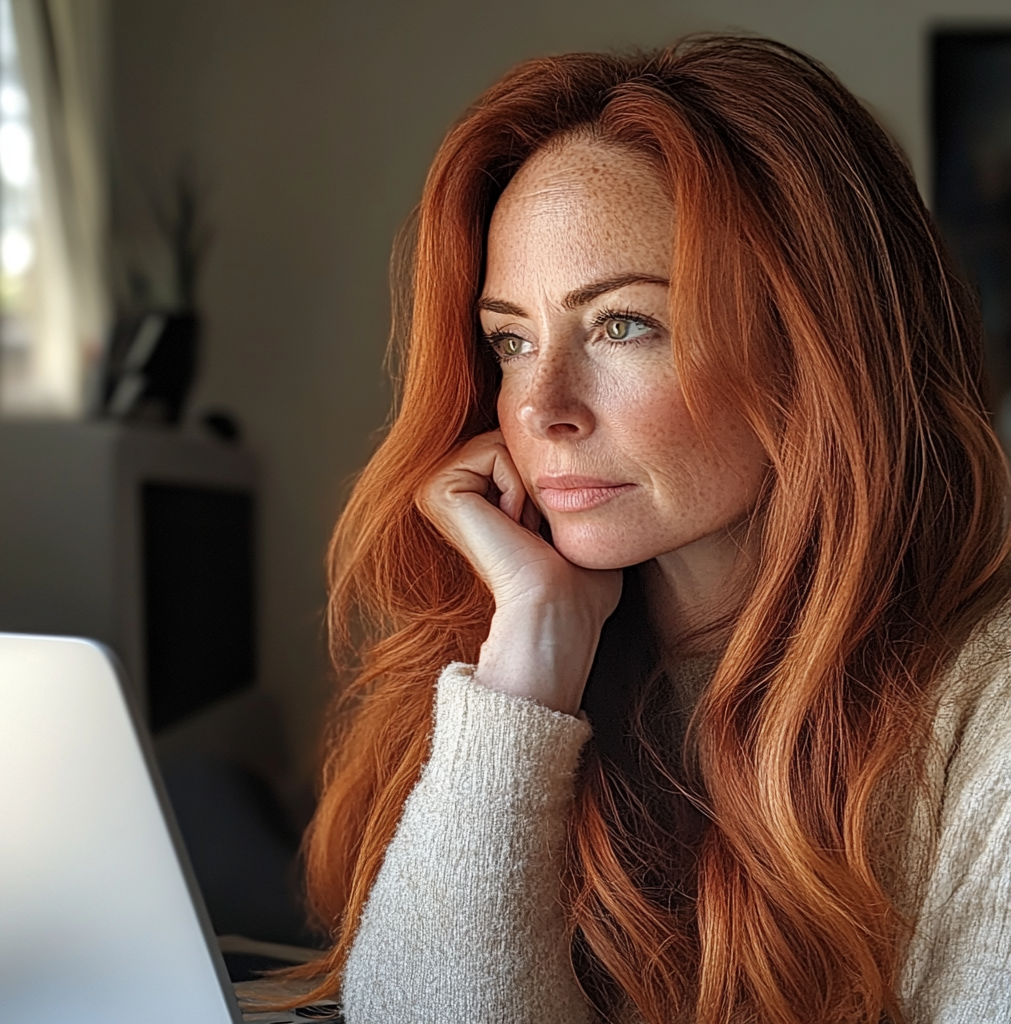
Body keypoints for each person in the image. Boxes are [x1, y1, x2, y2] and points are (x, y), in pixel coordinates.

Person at [290, 36, 1011, 1024]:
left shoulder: (983, 720)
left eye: (622, 323)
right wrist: (528, 665)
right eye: (511, 338)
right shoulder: (508, 667)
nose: (540, 406)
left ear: (816, 346)